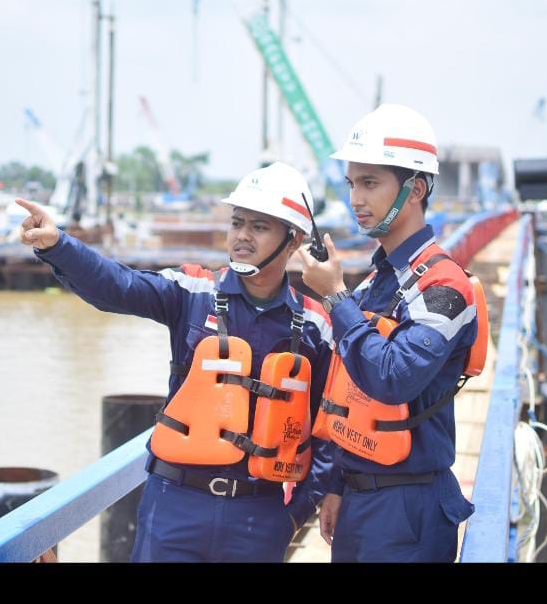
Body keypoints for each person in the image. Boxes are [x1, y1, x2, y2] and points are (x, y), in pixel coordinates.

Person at [17, 161, 334, 562]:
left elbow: (329, 428)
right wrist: (58, 245)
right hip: (174, 506)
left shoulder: (315, 326)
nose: (242, 236)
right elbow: (118, 286)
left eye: (259, 226)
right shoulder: (193, 290)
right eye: (237, 223)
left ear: (294, 240)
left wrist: (295, 513)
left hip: (261, 516)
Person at [297, 103, 479, 562]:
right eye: (352, 183)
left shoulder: (444, 286)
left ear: (415, 189)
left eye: (370, 183)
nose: (355, 199)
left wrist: (336, 297)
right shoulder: (380, 280)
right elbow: (350, 387)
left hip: (410, 506)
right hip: (360, 497)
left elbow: (392, 377)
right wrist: (338, 483)